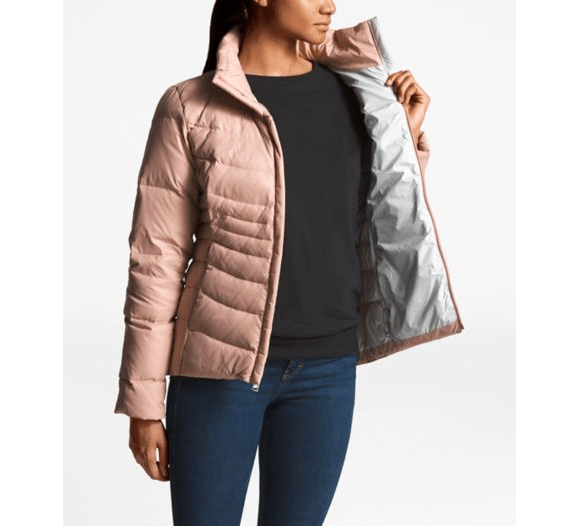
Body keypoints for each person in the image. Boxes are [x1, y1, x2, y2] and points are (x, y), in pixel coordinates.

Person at [114, 1, 464, 525]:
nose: (330, 5)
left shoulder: (357, 96)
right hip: (220, 370)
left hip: (327, 369)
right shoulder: (190, 105)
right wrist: (144, 403)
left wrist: (402, 137)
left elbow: (369, 219)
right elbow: (156, 257)